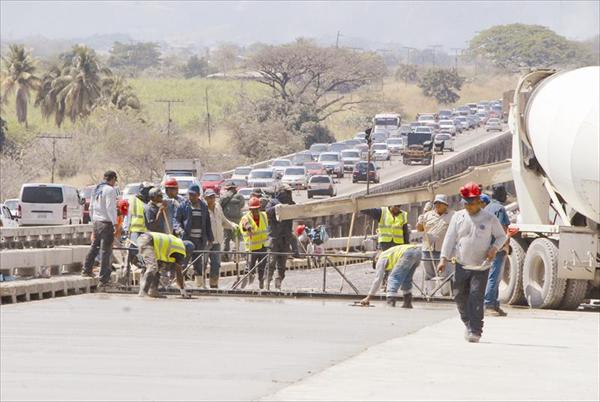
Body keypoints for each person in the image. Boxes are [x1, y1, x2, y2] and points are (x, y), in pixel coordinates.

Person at [438, 182, 507, 343]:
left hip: (481, 265)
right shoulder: (458, 217)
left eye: (472, 203)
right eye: (466, 203)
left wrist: (494, 248)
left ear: (479, 202)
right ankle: (468, 323)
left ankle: (476, 330)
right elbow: (449, 239)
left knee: (476, 296)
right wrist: (443, 259)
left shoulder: (489, 218)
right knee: (459, 295)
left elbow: (501, 236)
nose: (469, 206)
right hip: (462, 263)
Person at [81, 170, 118, 290]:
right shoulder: (110, 190)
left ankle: (86, 270)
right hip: (106, 223)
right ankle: (104, 280)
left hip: (96, 222)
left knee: (94, 247)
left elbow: (91, 207)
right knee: (105, 252)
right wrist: (115, 223)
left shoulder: (96, 188)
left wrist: (93, 221)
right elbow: (110, 208)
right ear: (112, 179)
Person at [174, 184, 213, 287]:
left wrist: (210, 238)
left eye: (194, 195)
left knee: (198, 263)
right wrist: (179, 229)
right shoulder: (183, 206)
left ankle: (199, 284)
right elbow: (176, 220)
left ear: (198, 195)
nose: (191, 197)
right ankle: (180, 284)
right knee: (184, 261)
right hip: (187, 239)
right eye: (190, 194)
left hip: (200, 239)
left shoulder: (203, 206)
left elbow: (207, 223)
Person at [359, 244, 422, 308]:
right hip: (418, 252)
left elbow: (378, 279)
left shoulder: (381, 258)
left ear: (375, 259)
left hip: (407, 253)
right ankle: (407, 303)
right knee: (406, 279)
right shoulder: (389, 254)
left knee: (393, 278)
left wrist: (368, 298)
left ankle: (391, 302)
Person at [483, 184, 511, 317]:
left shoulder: (487, 207)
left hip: (485, 246)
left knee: (491, 276)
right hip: (496, 247)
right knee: (495, 276)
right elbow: (501, 228)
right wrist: (505, 245)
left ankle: (494, 304)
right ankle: (489, 304)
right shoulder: (500, 208)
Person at [265, 184, 299, 290]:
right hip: (274, 237)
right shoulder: (273, 202)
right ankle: (267, 284)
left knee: (282, 265)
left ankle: (278, 282)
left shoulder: (291, 204)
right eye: (287, 192)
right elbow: (267, 212)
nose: (289, 194)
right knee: (271, 262)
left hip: (285, 238)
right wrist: (276, 209)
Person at [137, 231, 188, 298]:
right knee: (153, 267)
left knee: (157, 266)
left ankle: (153, 291)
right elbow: (178, 273)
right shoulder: (180, 249)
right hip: (148, 241)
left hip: (147, 240)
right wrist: (183, 291)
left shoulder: (175, 242)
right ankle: (143, 292)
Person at [204, 189, 237, 288]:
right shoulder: (203, 208)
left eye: (213, 197)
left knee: (216, 264)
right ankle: (201, 285)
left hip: (217, 241)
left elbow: (223, 220)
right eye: (210, 197)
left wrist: (232, 226)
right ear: (205, 198)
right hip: (206, 241)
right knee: (202, 263)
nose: (212, 199)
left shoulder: (218, 207)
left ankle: (214, 285)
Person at [417, 194, 454, 279]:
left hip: (443, 251)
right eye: (436, 203)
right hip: (428, 250)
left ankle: (445, 292)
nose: (437, 205)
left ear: (446, 205)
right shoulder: (427, 215)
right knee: (429, 275)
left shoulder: (452, 215)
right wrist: (420, 221)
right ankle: (431, 292)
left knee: (444, 275)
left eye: (440, 203)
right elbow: (420, 229)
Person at [239, 196, 269, 289]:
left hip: (263, 247)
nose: (254, 211)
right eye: (252, 210)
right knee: (250, 268)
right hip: (252, 248)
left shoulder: (264, 216)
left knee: (262, 268)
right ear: (250, 209)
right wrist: (248, 227)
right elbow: (244, 224)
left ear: (259, 208)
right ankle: (247, 285)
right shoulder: (246, 218)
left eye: (256, 209)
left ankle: (261, 284)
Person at [220, 182, 246, 261]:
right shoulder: (240, 197)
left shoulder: (224, 197)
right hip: (237, 221)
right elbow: (242, 205)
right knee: (237, 238)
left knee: (226, 239)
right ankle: (236, 255)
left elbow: (219, 204)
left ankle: (225, 256)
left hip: (227, 220)